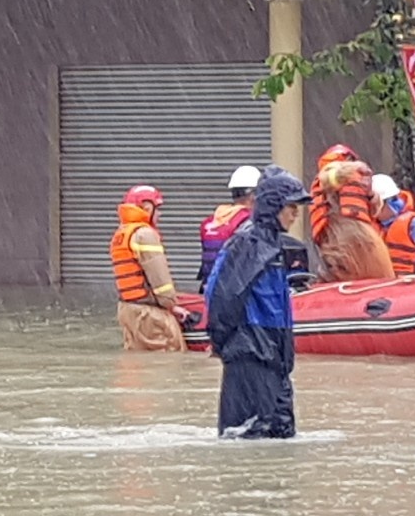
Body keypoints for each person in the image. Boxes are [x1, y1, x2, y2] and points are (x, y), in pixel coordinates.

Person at [204, 166, 308, 439]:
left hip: (274, 355)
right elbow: (222, 295)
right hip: (251, 353)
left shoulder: (272, 244)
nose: (296, 214)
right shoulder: (248, 243)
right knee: (251, 435)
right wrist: (222, 342)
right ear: (274, 205)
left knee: (281, 433)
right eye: (291, 207)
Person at [110, 184, 186, 352]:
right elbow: (160, 279)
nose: (159, 214)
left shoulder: (122, 233)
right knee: (167, 361)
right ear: (146, 207)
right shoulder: (145, 234)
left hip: (127, 310)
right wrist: (172, 304)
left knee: (136, 365)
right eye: (157, 208)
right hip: (148, 313)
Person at [309, 144, 393, 282]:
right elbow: (331, 178)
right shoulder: (332, 175)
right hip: (346, 240)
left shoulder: (355, 183)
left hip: (354, 239)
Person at [197, 165, 262, 290]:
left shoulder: (210, 222)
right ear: (254, 195)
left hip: (209, 287)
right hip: (234, 290)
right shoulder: (248, 221)